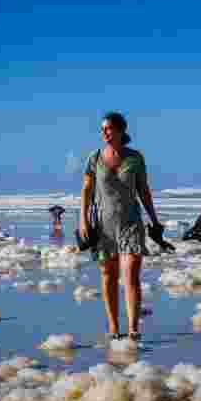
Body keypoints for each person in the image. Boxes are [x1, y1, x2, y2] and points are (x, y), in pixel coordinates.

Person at [80, 112, 164, 341]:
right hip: (103, 224)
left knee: (131, 274)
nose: (104, 133)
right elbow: (86, 190)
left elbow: (143, 190)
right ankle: (113, 327)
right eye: (102, 129)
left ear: (120, 130)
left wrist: (154, 219)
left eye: (108, 128)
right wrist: (83, 220)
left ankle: (134, 328)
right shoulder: (95, 157)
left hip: (131, 222)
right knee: (108, 274)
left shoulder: (135, 158)